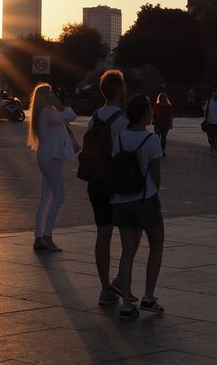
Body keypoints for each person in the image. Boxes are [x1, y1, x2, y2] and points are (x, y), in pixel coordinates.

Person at [112, 94, 165, 318]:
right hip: (146, 198)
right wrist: (154, 191)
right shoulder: (151, 140)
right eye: (150, 110)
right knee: (156, 245)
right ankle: (148, 297)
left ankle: (126, 303)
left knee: (127, 250)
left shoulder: (121, 138)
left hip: (122, 199)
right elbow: (156, 174)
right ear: (144, 114)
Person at [82, 70, 130, 306]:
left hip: (96, 183)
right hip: (117, 184)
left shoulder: (95, 117)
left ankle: (105, 289)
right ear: (119, 89)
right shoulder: (123, 120)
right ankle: (121, 281)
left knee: (103, 234)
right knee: (129, 234)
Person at [28, 82, 77, 251]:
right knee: (59, 196)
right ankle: (47, 236)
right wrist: (60, 104)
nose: (54, 95)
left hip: (46, 157)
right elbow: (71, 116)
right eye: (51, 93)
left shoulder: (40, 113)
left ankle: (39, 237)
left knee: (45, 199)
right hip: (52, 158)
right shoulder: (49, 112)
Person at [202, 88, 217, 156]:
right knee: (210, 137)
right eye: (214, 95)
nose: (216, 96)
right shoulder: (208, 102)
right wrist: (206, 120)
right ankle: (212, 147)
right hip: (209, 122)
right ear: (212, 95)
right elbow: (205, 112)